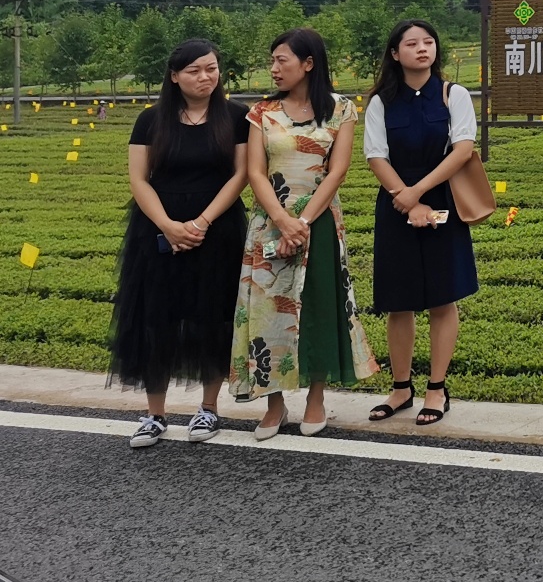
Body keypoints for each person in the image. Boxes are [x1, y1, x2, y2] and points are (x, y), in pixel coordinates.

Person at [231, 27, 379, 438]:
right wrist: (283, 220)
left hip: (320, 223)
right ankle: (274, 404)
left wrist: (303, 222)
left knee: (317, 308)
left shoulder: (341, 110)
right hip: (269, 222)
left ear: (308, 63)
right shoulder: (262, 112)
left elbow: (338, 171)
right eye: (272, 61)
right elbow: (255, 172)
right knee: (267, 313)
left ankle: (316, 398)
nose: (274, 68)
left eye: (282, 60)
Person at [109, 39, 250, 448]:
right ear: (174, 76)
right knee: (156, 318)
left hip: (218, 229)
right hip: (157, 229)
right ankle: (154, 415)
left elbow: (241, 174)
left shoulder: (237, 117)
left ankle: (209, 409)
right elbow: (139, 179)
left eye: (211, 68)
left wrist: (203, 221)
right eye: (194, 70)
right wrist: (168, 226)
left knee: (214, 316)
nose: (205, 77)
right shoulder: (151, 120)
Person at [363, 19, 479, 426]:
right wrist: (406, 198)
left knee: (443, 297)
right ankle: (400, 388)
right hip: (396, 204)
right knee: (399, 301)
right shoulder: (381, 102)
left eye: (428, 42)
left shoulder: (453, 94)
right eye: (412, 44)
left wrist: (419, 193)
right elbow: (376, 155)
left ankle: (436, 389)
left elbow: (462, 149)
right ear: (395, 54)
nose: (422, 49)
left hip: (442, 199)